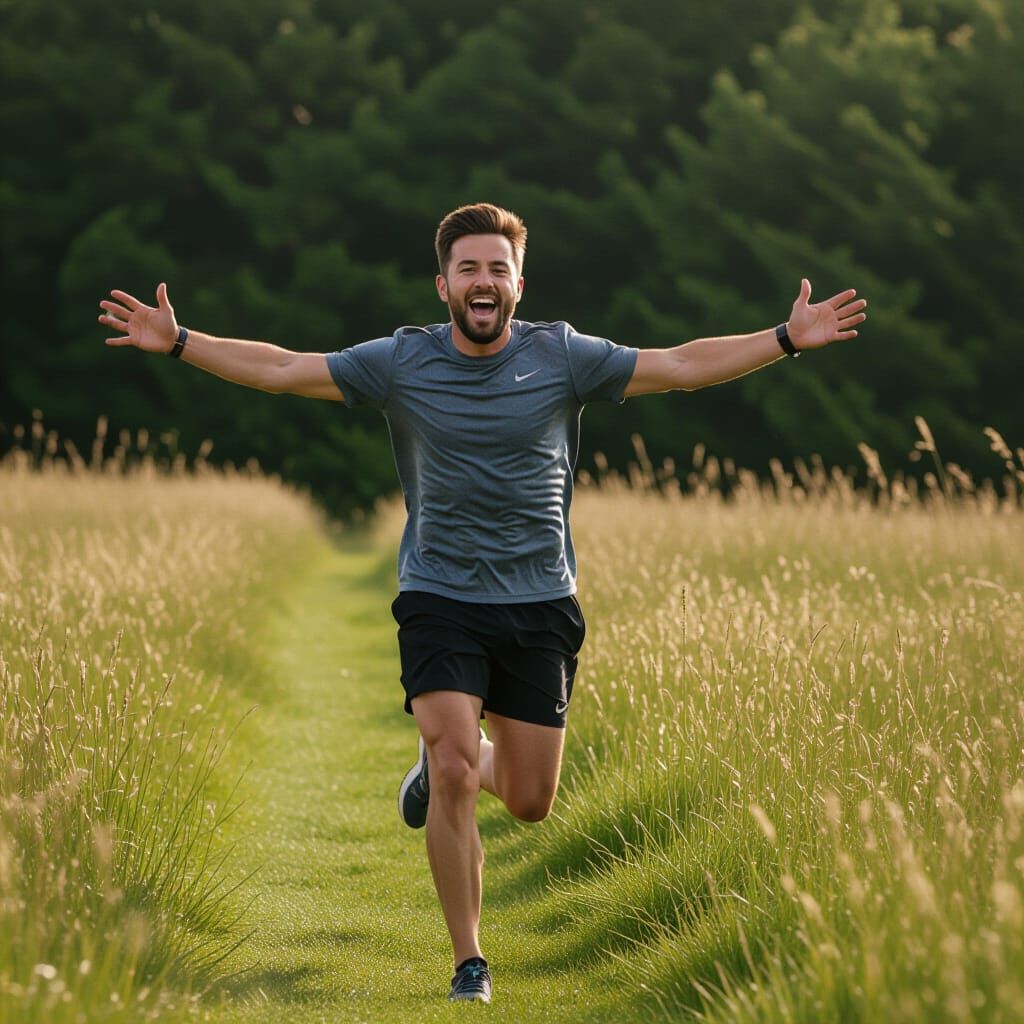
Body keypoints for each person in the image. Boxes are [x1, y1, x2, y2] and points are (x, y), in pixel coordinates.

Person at [98, 202, 867, 1004]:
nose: (483, 282)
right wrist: (181, 342)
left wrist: (783, 339)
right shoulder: (400, 361)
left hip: (540, 601)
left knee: (532, 802)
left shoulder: (564, 356)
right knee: (459, 764)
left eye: (497, 268)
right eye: (468, 268)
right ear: (443, 285)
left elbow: (677, 364)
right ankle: (470, 959)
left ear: (518, 283)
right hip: (440, 594)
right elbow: (287, 368)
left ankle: (440, 770)